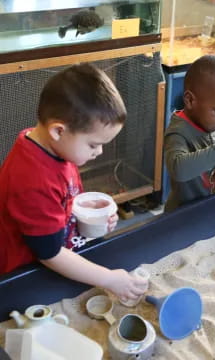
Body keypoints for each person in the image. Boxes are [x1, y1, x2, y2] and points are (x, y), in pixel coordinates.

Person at [0, 63, 147, 303]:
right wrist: (109, 279)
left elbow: (62, 199)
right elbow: (50, 254)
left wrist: (89, 219)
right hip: (26, 272)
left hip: (57, 246)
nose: (99, 152)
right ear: (58, 131)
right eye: (93, 144)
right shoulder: (32, 179)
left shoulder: (52, 145)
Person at [164, 55, 215, 212]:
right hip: (186, 216)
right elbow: (178, 169)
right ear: (190, 100)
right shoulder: (178, 133)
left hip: (214, 206)